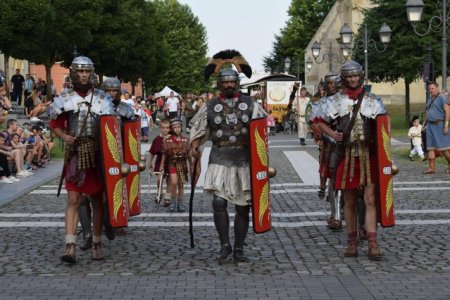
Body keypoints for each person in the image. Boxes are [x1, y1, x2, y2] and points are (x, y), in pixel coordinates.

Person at [190, 50, 267, 263]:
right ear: (219, 84)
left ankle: (239, 248)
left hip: (244, 158)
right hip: (220, 158)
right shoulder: (210, 106)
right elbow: (199, 130)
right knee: (218, 203)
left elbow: (261, 133)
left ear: (238, 83)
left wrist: (261, 161)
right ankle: (225, 245)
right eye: (225, 82)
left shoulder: (252, 105)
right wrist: (195, 146)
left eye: (232, 81)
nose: (229, 85)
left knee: (243, 206)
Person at [316, 61, 387, 260]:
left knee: (370, 199)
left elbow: (383, 127)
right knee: (349, 201)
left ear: (361, 77)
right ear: (344, 78)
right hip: (346, 156)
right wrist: (333, 133)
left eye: (356, 76)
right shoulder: (335, 100)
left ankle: (372, 242)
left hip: (368, 155)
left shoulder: (373, 100)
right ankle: (352, 241)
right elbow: (318, 121)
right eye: (350, 76)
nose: (353, 79)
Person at [50, 56, 115, 264]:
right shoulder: (65, 97)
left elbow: (111, 127)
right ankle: (70, 246)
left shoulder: (103, 98)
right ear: (74, 73)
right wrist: (64, 136)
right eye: (81, 71)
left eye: (87, 71)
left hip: (97, 155)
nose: (84, 75)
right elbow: (56, 124)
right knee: (73, 200)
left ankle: (96, 244)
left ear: (92, 73)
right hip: (76, 155)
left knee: (97, 201)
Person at [160, 118, 190, 212]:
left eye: (179, 127)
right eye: (175, 127)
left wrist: (192, 165)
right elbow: (164, 154)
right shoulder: (167, 140)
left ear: (181, 128)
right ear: (172, 129)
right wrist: (161, 165)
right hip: (172, 164)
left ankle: (180, 203)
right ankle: (173, 202)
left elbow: (189, 155)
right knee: (174, 182)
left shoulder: (186, 140)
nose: (177, 129)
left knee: (181, 184)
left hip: (182, 164)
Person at [423, 82, 450, 174]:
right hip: (430, 125)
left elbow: (447, 111)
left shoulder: (442, 97)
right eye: (429, 89)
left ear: (437, 88)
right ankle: (432, 168)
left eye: (432, 88)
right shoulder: (430, 99)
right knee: (430, 147)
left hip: (440, 124)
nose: (430, 90)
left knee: (444, 148)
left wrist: (446, 126)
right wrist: (423, 124)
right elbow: (427, 112)